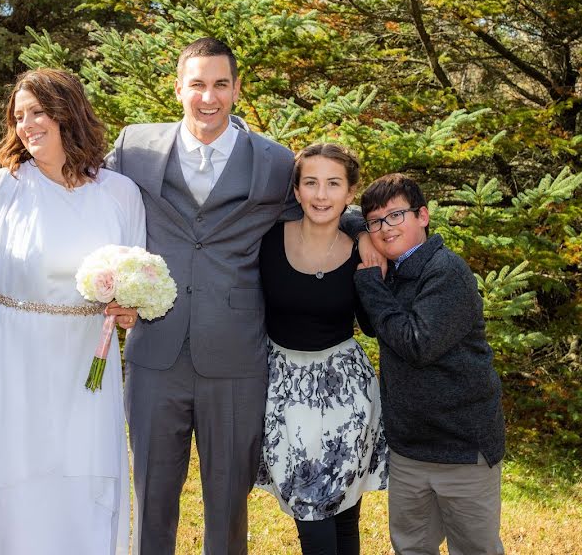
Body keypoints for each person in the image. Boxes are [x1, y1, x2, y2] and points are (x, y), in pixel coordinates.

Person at [106, 38, 381, 555]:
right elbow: (92, 199)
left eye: (220, 85)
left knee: (228, 504)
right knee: (150, 497)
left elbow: (317, 206)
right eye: (197, 85)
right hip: (154, 353)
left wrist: (363, 232)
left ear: (236, 89)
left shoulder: (274, 162)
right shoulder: (134, 148)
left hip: (236, 357)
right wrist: (108, 285)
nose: (208, 97)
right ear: (178, 88)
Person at [0, 68, 145, 554]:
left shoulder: (119, 193)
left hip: (84, 359)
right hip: (7, 351)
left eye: (38, 112)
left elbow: (137, 280)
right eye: (19, 116)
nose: (28, 124)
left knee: (78, 467)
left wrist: (129, 308)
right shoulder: (0, 188)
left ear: (68, 112)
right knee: (11, 468)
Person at [353, 174, 506, 555]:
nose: (386, 228)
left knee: (475, 550)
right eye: (376, 221)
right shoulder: (396, 268)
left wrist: (370, 280)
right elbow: (375, 325)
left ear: (423, 215)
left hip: (461, 449)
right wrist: (361, 237)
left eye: (396, 216)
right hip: (409, 450)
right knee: (411, 548)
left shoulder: (445, 270)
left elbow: (417, 344)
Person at [256, 143, 388, 555]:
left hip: (346, 395)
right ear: (295, 191)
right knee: (310, 516)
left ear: (350, 192)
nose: (321, 195)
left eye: (334, 184)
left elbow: (371, 325)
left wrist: (370, 256)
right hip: (285, 392)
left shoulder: (363, 253)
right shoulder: (268, 239)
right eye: (310, 183)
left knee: (346, 518)